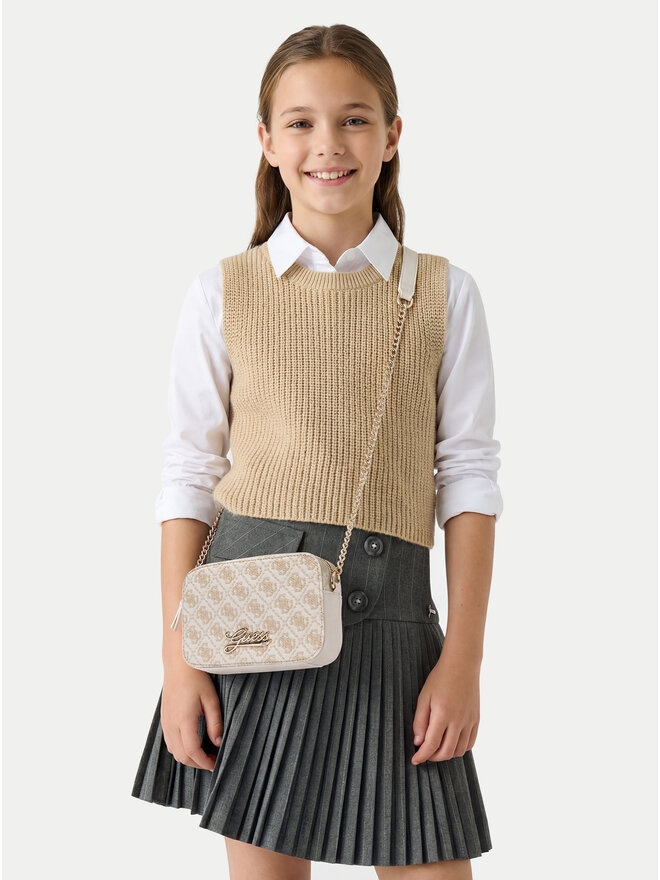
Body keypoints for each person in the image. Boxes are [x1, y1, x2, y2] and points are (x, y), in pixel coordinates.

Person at [131, 23, 503, 880]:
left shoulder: (445, 293)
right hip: (249, 625)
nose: (328, 144)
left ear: (392, 136)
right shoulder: (222, 292)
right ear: (267, 142)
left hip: (395, 628)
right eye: (300, 123)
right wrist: (177, 660)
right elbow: (189, 478)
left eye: (354, 120)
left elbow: (469, 479)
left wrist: (464, 659)